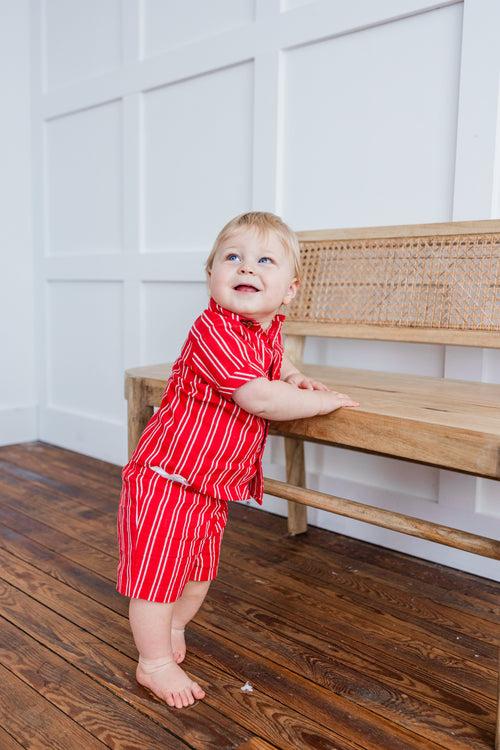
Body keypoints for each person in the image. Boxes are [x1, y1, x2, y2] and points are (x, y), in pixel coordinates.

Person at [115, 211, 360, 709]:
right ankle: (153, 662)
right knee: (158, 576)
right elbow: (260, 400)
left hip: (210, 485)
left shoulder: (264, 328)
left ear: (288, 290)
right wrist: (321, 401)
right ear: (211, 277)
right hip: (168, 478)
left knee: (198, 573)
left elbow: (277, 364)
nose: (246, 267)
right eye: (233, 257)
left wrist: (295, 377)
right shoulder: (215, 331)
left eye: (263, 260)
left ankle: (173, 628)